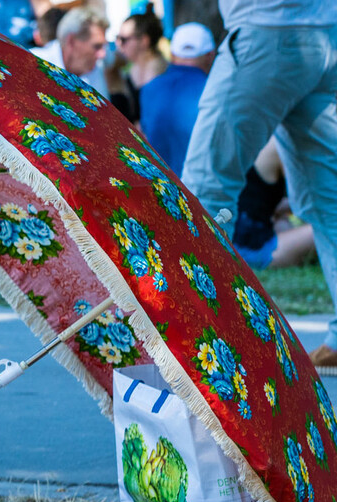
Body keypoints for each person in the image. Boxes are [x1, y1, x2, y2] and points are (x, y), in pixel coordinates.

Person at [179, 0, 337, 371]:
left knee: (205, 190)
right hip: (326, 32)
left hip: (267, 28)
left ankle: (202, 351)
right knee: (329, 199)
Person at [137, 22, 214, 171]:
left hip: (160, 188)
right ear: (210, 56)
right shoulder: (214, 91)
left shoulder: (148, 90)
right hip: (199, 187)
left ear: (172, 55)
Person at [235, 141, 319, 271]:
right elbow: (311, 201)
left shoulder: (265, 140)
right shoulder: (284, 144)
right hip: (251, 250)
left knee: (284, 222)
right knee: (323, 230)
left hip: (243, 233)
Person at [108, 10, 166, 122]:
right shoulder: (129, 72)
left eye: (123, 39)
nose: (118, 44)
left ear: (144, 41)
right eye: (117, 38)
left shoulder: (163, 73)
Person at [33, 7, 109, 90]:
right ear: (71, 41)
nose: (102, 54)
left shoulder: (95, 70)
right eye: (97, 46)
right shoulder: (33, 62)